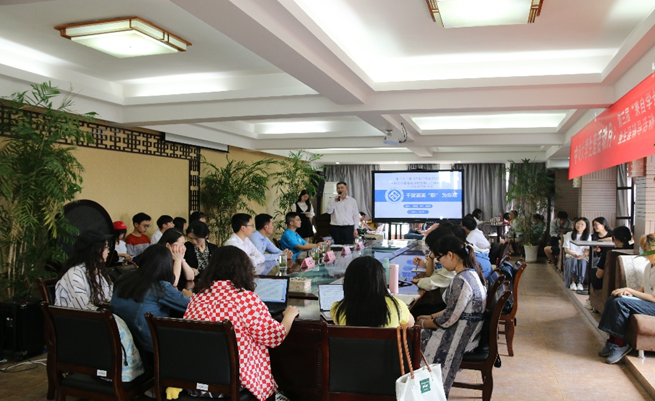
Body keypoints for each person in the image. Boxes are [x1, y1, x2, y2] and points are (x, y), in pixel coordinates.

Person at [184, 246, 299, 400]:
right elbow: (274, 337)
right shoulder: (246, 299)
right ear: (243, 270)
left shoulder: (197, 299)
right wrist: (289, 316)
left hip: (194, 382)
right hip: (233, 384)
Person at [55, 229, 144, 382]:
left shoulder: (95, 271)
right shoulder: (74, 275)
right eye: (106, 247)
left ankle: (134, 372)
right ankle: (119, 374)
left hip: (93, 321)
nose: (109, 251)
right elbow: (83, 309)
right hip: (77, 328)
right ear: (95, 250)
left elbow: (108, 296)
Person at [415, 235, 487, 397]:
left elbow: (448, 319)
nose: (439, 262)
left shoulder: (462, 280)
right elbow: (454, 309)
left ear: (450, 255)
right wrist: (430, 316)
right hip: (469, 332)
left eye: (439, 258)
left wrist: (424, 324)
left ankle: (424, 394)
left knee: (413, 337)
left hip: (461, 337)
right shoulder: (471, 274)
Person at [111, 244, 191, 355]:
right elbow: (192, 306)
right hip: (148, 347)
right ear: (167, 265)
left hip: (120, 341)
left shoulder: (124, 277)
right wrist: (187, 295)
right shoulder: (159, 287)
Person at [597, 234, 655, 364]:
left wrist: (631, 291)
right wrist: (627, 292)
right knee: (613, 298)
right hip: (648, 301)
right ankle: (611, 342)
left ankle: (619, 345)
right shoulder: (649, 266)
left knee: (620, 303)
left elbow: (653, 297)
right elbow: (643, 288)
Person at [331, 256, 415, 328]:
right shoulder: (396, 305)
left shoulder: (337, 309)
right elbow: (410, 324)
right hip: (386, 343)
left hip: (351, 343)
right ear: (381, 280)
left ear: (348, 282)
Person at [586, 226, 633, 310]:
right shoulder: (634, 250)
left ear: (614, 238)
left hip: (608, 282)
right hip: (629, 280)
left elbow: (599, 275)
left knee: (593, 271)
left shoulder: (609, 253)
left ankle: (590, 300)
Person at [563, 217, 591, 291]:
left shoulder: (588, 236)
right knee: (573, 261)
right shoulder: (569, 234)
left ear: (586, 227)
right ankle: (572, 282)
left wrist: (583, 255)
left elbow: (587, 250)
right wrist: (574, 255)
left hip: (583, 256)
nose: (579, 226)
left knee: (582, 262)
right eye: (578, 224)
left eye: (582, 225)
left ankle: (580, 283)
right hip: (571, 255)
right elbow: (567, 249)